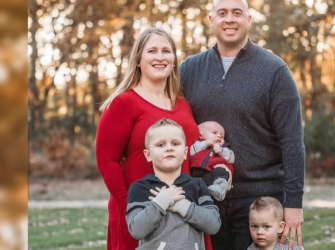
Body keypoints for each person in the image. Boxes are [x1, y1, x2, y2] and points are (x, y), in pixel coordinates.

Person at [179, 0, 306, 249]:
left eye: (237, 13)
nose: (229, 19)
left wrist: (294, 203)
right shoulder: (189, 70)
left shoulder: (274, 70)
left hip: (259, 202)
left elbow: (292, 141)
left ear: (248, 20)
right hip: (205, 197)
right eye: (222, 13)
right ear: (210, 20)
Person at [95, 28, 200, 250]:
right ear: (138, 60)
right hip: (140, 211)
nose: (160, 57)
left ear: (173, 61)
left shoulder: (184, 105)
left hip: (183, 213)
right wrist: (129, 207)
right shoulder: (123, 103)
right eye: (151, 51)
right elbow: (107, 161)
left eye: (166, 51)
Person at [126, 118, 221, 250]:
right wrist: (162, 201)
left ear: (185, 152)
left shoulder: (197, 185)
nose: (169, 148)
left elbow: (213, 225)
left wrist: (181, 205)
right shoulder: (140, 188)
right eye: (161, 145)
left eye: (175, 143)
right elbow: (137, 230)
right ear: (148, 155)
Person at [189, 121, 235, 201]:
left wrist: (221, 151)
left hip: (215, 172)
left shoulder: (224, 149)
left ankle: (219, 189)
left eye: (222, 136)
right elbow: (191, 152)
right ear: (200, 135)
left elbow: (231, 158)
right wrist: (205, 144)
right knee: (194, 184)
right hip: (197, 172)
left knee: (222, 173)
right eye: (214, 132)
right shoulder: (197, 144)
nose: (219, 136)